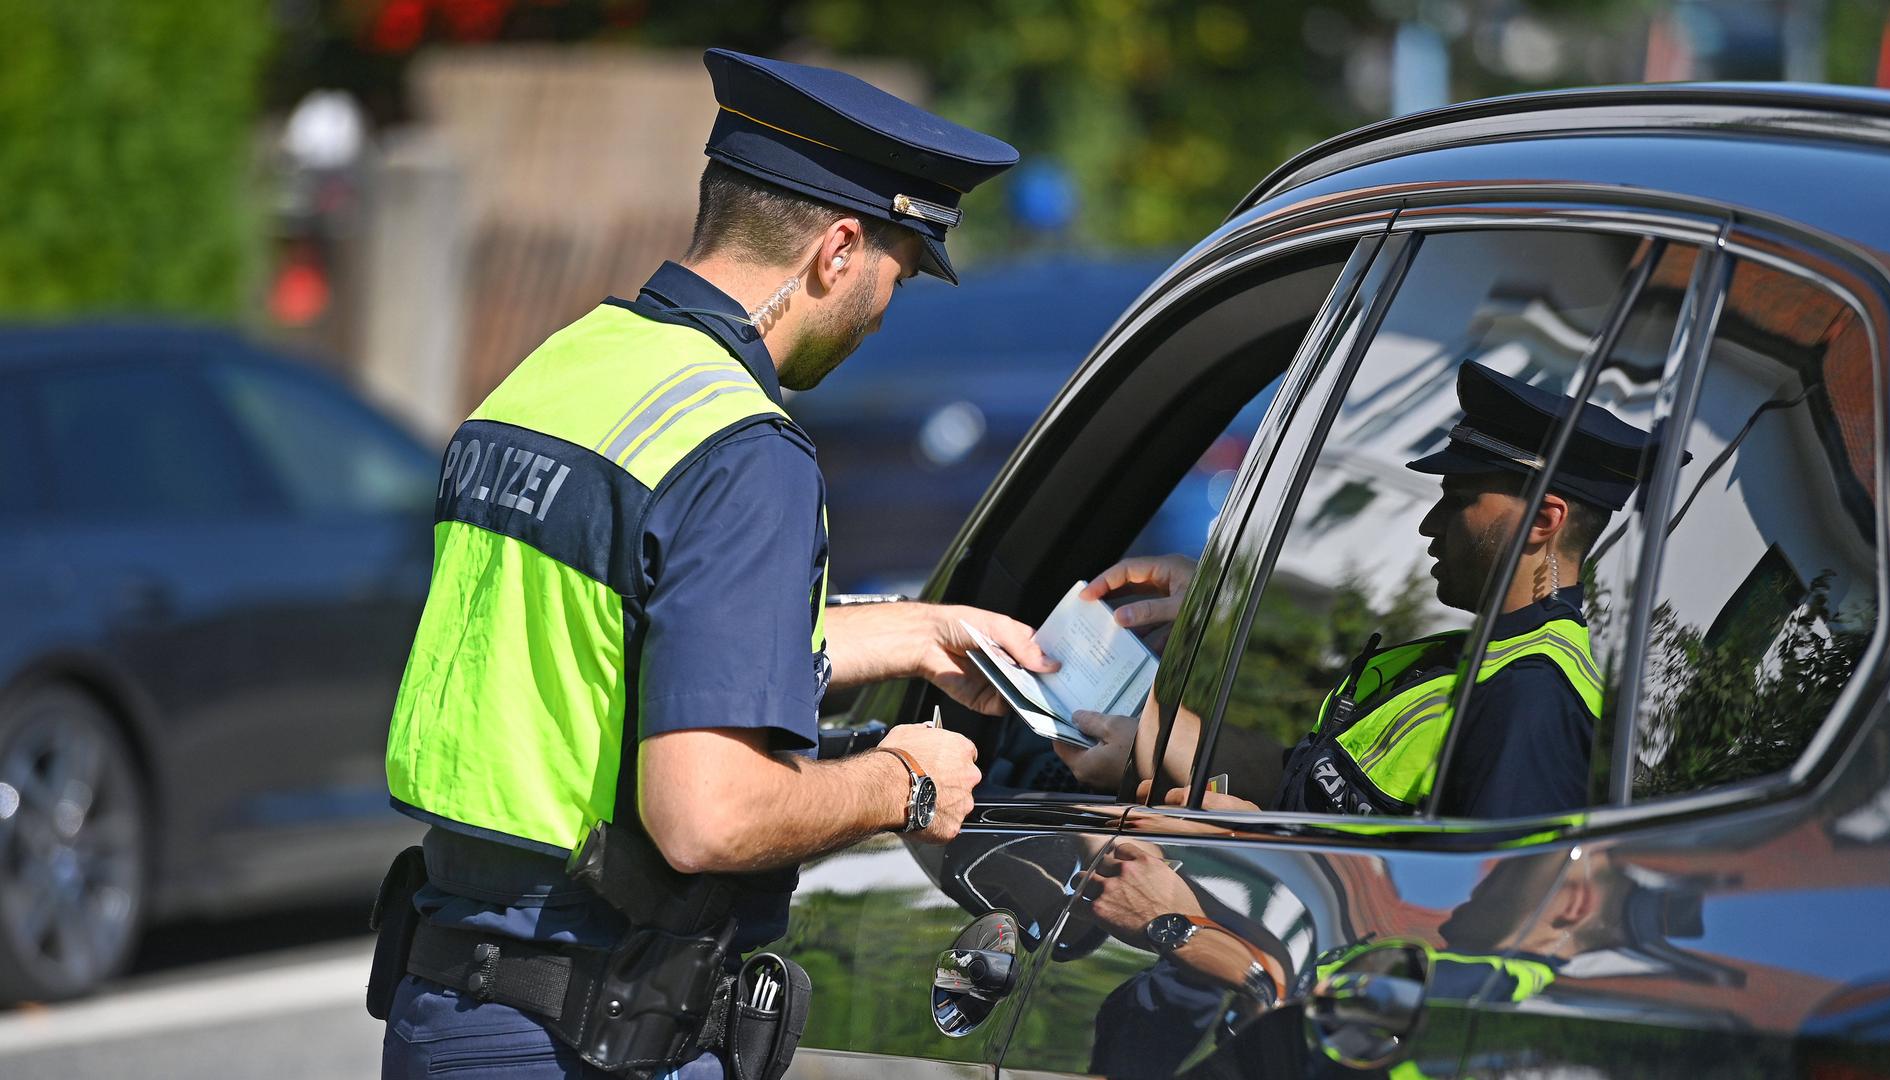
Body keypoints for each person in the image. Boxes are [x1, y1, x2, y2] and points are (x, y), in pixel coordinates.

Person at [374, 49, 1052, 1078]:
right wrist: (900, 785)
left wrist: (919, 629)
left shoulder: (562, 372)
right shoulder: (742, 450)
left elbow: (616, 632)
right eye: (894, 278)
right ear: (836, 250)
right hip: (588, 1026)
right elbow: (708, 814)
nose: (879, 315)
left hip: (447, 1010)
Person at [1058, 361, 1656, 819]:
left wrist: (1243, 857)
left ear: (1544, 522)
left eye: (1460, 499)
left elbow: (1481, 916)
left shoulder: (1530, 697)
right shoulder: (1458, 661)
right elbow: (1305, 783)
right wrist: (1149, 733)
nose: (1431, 522)